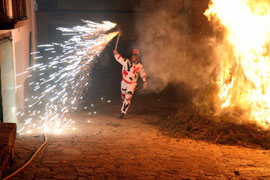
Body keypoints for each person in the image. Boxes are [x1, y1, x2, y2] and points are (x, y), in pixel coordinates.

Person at [113, 48, 147, 119]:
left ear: (138, 57)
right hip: (124, 82)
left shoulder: (140, 66)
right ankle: (123, 99)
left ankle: (123, 112)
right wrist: (116, 53)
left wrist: (145, 82)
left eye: (136, 56)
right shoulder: (126, 61)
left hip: (132, 84)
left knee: (128, 97)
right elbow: (119, 59)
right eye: (133, 55)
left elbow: (142, 73)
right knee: (123, 95)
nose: (134, 57)